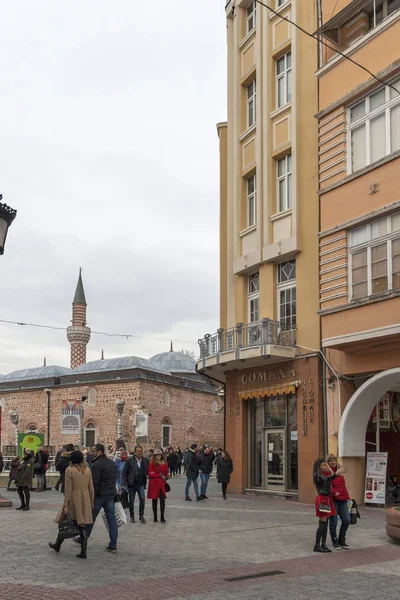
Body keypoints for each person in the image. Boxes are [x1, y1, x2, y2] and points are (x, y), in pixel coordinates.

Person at [49, 450, 94, 559]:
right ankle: (83, 550)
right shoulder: (87, 470)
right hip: (85, 498)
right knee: (82, 523)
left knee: (64, 522)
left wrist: (65, 504)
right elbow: (91, 487)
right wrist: (91, 501)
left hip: (73, 499)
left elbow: (68, 489)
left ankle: (57, 544)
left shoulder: (70, 470)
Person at [85, 443, 118, 553]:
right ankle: (113, 544)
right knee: (112, 519)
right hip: (110, 495)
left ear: (99, 452)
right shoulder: (112, 463)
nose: (92, 453)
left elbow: (95, 483)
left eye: (93, 451)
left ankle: (84, 538)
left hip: (99, 496)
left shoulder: (96, 465)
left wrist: (92, 497)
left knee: (90, 518)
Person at [312, 458, 344, 553]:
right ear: (318, 467)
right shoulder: (317, 475)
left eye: (326, 465)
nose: (325, 467)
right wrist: (335, 474)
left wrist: (333, 473)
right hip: (322, 499)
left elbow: (329, 478)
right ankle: (317, 545)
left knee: (325, 523)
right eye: (323, 465)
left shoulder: (323, 474)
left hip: (327, 498)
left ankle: (323, 544)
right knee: (322, 523)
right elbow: (327, 479)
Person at [326, 454, 351, 550]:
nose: (333, 462)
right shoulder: (328, 473)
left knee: (347, 520)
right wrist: (333, 492)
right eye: (330, 461)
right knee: (334, 522)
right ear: (328, 462)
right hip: (334, 501)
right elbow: (327, 485)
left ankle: (342, 539)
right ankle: (334, 540)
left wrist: (347, 497)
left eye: (334, 460)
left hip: (343, 500)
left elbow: (343, 486)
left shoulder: (340, 471)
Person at [122, 445, 149, 524]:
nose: (140, 453)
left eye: (141, 451)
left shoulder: (145, 461)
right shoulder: (129, 460)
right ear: (135, 452)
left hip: (141, 483)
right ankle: (132, 516)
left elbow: (148, 470)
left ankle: (141, 516)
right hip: (132, 484)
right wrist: (123, 483)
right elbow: (124, 473)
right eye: (138, 451)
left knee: (142, 499)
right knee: (131, 501)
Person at [147, 447, 169, 523]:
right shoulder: (152, 463)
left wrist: (167, 476)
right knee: (154, 501)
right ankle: (155, 516)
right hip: (154, 485)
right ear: (154, 456)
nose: (158, 456)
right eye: (156, 455)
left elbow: (166, 473)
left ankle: (162, 517)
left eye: (159, 455)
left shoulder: (165, 463)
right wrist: (158, 475)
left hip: (162, 485)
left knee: (162, 501)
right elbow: (150, 473)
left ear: (161, 455)